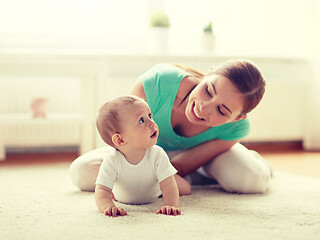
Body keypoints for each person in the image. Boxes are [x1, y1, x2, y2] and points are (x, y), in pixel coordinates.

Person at [70, 59, 272, 195]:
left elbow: (183, 166)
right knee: (82, 172)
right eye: (208, 91)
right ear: (207, 75)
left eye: (221, 110)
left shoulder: (236, 128)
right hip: (142, 151)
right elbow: (126, 138)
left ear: (238, 118)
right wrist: (161, 178)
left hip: (199, 158)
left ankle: (254, 162)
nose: (204, 107)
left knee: (251, 180)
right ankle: (196, 178)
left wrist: (153, 179)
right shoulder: (157, 83)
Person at [94, 95, 188, 217]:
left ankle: (190, 178)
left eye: (150, 116)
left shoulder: (157, 154)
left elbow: (168, 184)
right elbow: (102, 190)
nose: (152, 123)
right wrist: (108, 206)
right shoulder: (112, 160)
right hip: (121, 198)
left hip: (155, 194)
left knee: (185, 188)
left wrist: (170, 205)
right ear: (120, 140)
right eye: (141, 120)